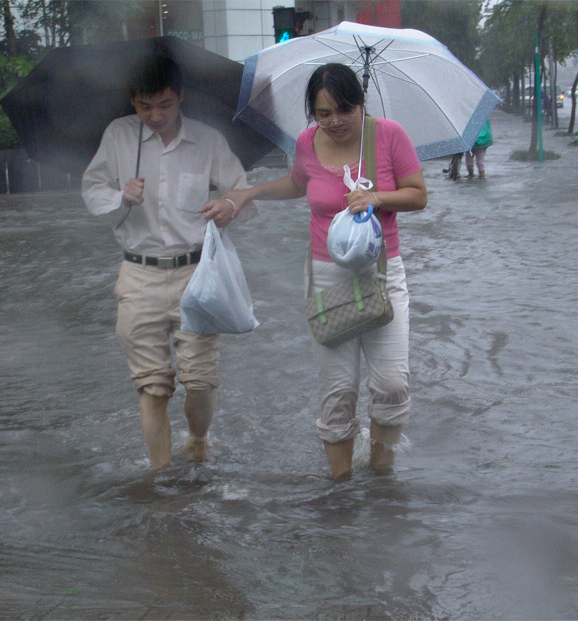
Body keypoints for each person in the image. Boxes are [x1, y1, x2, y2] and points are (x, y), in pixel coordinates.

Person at [213, 63, 427, 481]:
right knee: (338, 392)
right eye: (323, 114)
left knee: (392, 382)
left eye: (343, 111)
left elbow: (418, 195)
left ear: (360, 103)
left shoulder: (388, 136)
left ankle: (381, 477)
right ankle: (341, 489)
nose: (334, 122)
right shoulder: (309, 143)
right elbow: (297, 184)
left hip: (383, 274)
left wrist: (377, 197)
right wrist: (248, 193)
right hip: (327, 277)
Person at [81, 56, 248, 469]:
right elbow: (92, 191)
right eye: (145, 106)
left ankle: (198, 439)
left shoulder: (208, 141)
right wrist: (121, 195)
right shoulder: (118, 136)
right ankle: (160, 479)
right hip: (139, 274)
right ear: (133, 102)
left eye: (166, 105)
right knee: (152, 387)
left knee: (200, 381)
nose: (155, 115)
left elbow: (240, 190)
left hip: (198, 273)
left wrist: (227, 205)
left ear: (181, 98)